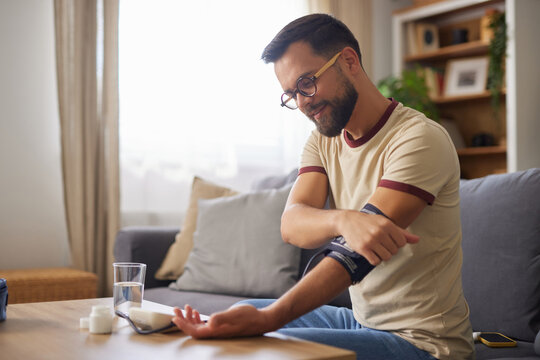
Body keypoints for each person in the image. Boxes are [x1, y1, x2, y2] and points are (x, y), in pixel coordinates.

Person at [172, 13, 474, 360]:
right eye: (291, 94)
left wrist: (269, 319)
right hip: (362, 323)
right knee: (240, 313)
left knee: (270, 343)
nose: (302, 102)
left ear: (348, 61)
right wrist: (342, 220)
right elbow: (292, 223)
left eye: (306, 83)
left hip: (425, 343)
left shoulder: (419, 139)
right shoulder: (322, 141)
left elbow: (354, 257)